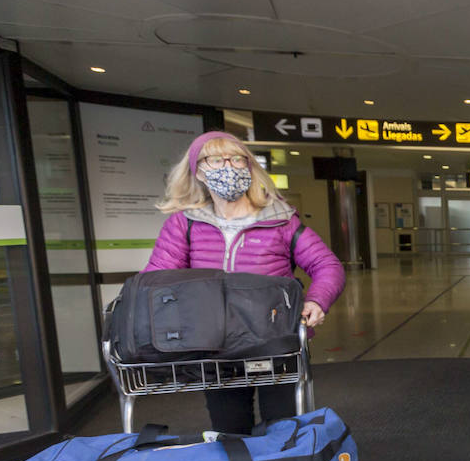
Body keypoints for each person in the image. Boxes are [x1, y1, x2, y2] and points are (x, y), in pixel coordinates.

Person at [144, 131, 344, 434]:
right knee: (229, 430)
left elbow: (326, 264)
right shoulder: (184, 223)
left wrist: (317, 300)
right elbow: (157, 280)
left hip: (275, 341)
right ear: (197, 170)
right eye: (215, 159)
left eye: (237, 158)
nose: (229, 166)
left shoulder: (281, 220)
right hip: (214, 344)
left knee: (283, 428)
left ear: (249, 167)